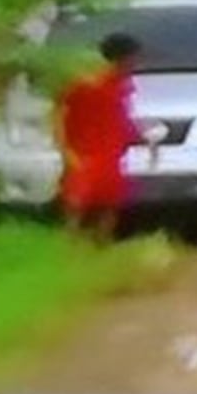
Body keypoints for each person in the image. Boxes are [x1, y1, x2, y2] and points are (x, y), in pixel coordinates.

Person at [55, 32, 147, 244]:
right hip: (85, 151)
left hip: (110, 149)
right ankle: (69, 247)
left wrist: (139, 137)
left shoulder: (122, 85)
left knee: (110, 201)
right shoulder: (86, 84)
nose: (136, 63)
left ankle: (101, 245)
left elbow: (121, 115)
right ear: (123, 58)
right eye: (133, 57)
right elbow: (59, 115)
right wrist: (65, 150)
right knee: (78, 202)